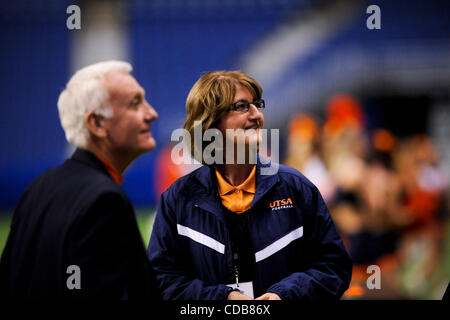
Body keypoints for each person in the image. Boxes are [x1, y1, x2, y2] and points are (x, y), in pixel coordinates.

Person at [148, 70, 352, 300]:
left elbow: (334, 267)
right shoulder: (177, 200)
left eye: (257, 104)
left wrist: (284, 295)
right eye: (242, 106)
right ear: (211, 122)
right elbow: (161, 280)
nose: (256, 114)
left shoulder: (296, 188)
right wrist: (224, 299)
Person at [0, 61, 159, 298]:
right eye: (135, 104)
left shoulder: (39, 186)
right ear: (96, 123)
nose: (152, 114)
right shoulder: (104, 200)